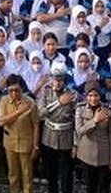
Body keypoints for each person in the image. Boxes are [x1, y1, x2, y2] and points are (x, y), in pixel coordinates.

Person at [37, 62, 78, 193]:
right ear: (51, 78)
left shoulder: (72, 93)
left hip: (66, 134)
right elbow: (40, 113)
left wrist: (76, 143)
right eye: (55, 79)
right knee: (51, 171)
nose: (58, 82)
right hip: (49, 135)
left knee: (67, 172)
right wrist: (58, 103)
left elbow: (77, 118)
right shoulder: (46, 92)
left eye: (61, 79)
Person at [0, 74, 39, 193]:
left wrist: (35, 146)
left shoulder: (30, 102)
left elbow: (36, 125)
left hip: (26, 143)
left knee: (27, 173)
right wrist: (19, 112)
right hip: (10, 143)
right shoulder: (4, 101)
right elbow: (1, 121)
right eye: (11, 90)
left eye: (17, 90)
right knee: (12, 173)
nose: (14, 94)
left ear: (22, 89)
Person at [74, 83, 111, 193]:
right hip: (87, 155)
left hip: (104, 154)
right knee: (90, 186)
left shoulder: (108, 110)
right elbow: (80, 131)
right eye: (90, 95)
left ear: (100, 96)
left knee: (104, 187)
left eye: (96, 95)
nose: (93, 99)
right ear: (86, 96)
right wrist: (95, 120)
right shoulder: (80, 109)